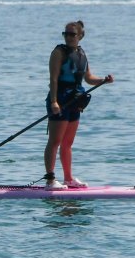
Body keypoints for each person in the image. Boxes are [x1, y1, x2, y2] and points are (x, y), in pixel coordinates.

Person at [44, 20, 114, 189]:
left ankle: (68, 179)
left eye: (72, 34)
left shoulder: (82, 53)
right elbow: (53, 79)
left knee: (68, 143)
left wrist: (104, 80)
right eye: (65, 34)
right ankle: (50, 180)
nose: (68, 37)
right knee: (55, 141)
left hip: (76, 101)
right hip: (60, 99)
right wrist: (54, 101)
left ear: (81, 36)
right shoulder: (58, 52)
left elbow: (89, 78)